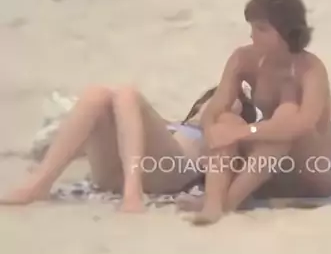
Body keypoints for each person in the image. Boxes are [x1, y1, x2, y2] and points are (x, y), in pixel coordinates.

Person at [179, 0, 331, 225]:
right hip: (270, 168)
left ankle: (228, 203)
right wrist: (214, 130)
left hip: (311, 169)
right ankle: (213, 202)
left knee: (286, 116)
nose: (252, 35)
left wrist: (243, 132)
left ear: (287, 32)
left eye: (262, 29)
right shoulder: (244, 59)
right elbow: (214, 109)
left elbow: (303, 124)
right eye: (252, 27)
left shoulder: (310, 69)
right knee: (226, 119)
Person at [0, 84, 256, 212]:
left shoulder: (221, 131)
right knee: (97, 95)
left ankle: (133, 193)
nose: (222, 104)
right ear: (199, 105)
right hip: (113, 173)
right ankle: (39, 184)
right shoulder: (165, 124)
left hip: (171, 174)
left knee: (127, 93)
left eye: (232, 102)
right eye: (219, 97)